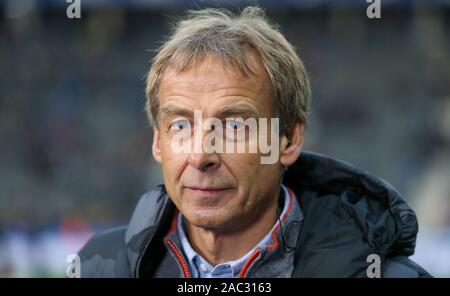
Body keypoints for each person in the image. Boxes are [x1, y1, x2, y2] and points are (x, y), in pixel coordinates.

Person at [78, 6, 431, 278]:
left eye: (234, 126)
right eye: (181, 125)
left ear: (289, 140)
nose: (201, 155)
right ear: (157, 141)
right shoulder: (98, 266)